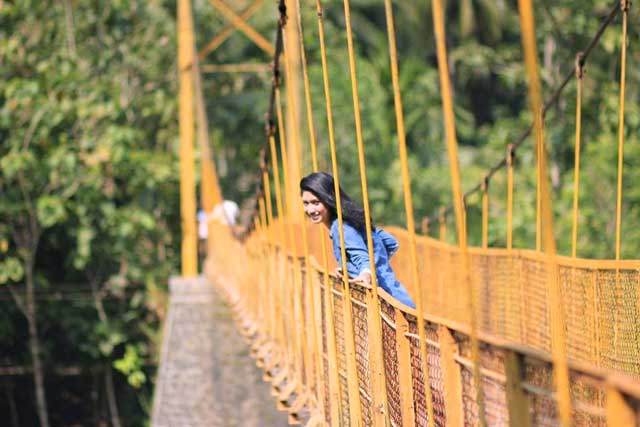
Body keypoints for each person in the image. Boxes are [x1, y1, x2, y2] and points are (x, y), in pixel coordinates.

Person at [300, 172, 416, 308]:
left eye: (315, 203)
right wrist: (353, 269)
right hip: (399, 298)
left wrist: (366, 271)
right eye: (306, 203)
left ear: (328, 199)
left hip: (390, 306)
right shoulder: (352, 221)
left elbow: (362, 258)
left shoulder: (341, 227)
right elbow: (391, 242)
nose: (310, 209)